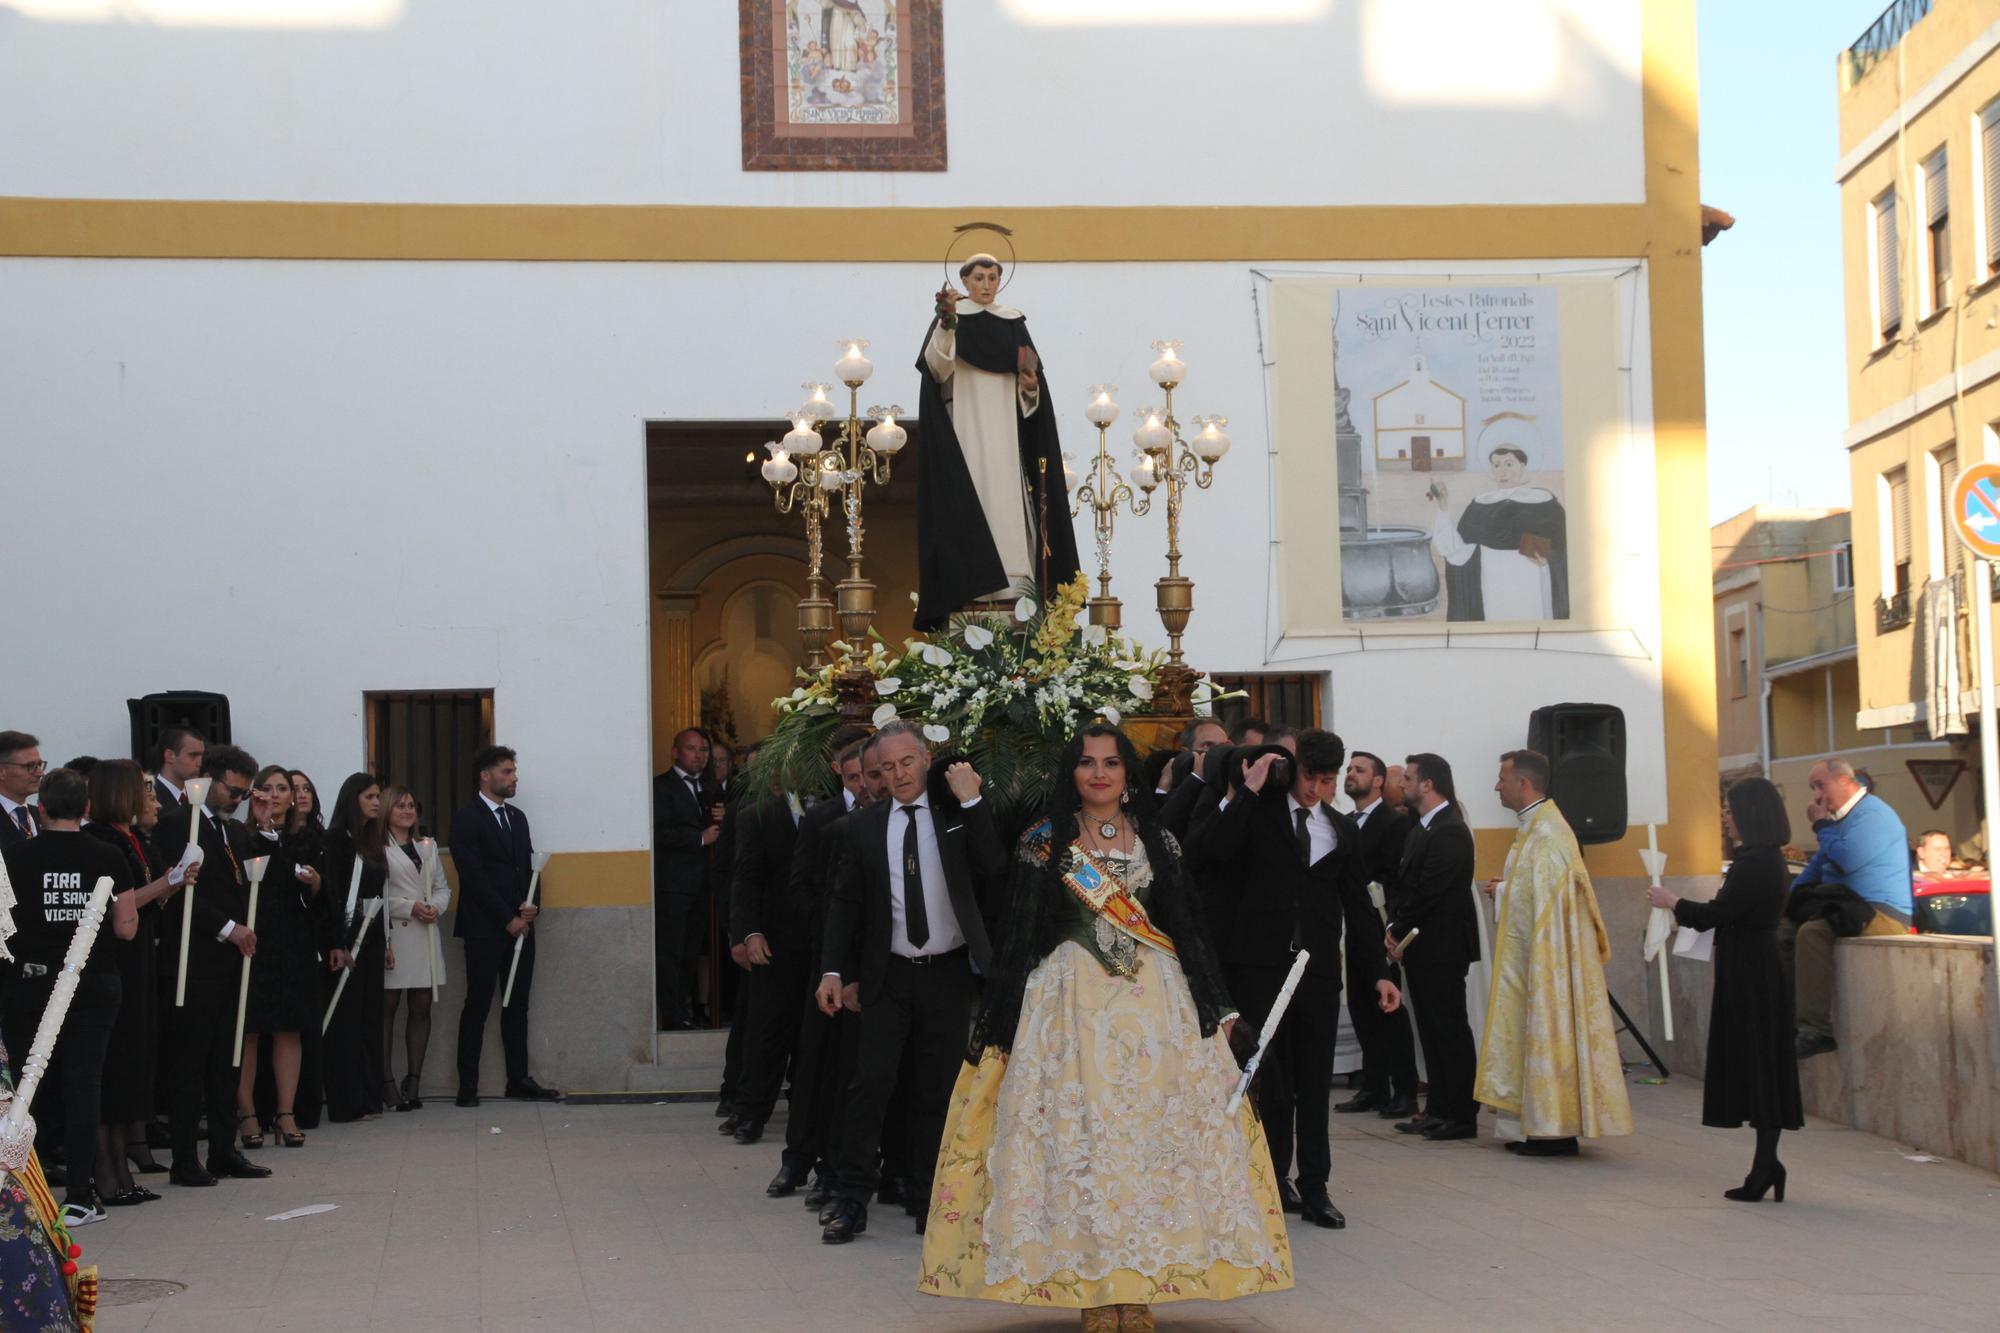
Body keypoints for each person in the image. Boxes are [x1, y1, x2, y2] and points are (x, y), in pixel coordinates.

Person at [918, 725, 1293, 1325]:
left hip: (1156, 1009)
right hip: (1069, 1009)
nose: (1099, 773)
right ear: (1072, 772)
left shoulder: (1159, 840)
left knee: (1148, 1146)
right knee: (1083, 1143)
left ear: (1127, 773)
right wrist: (1005, 1016)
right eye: (1088, 763)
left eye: (1112, 763)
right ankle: (1092, 1290)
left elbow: (1189, 927)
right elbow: (1015, 924)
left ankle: (1137, 1289)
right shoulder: (1044, 840)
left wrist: (1219, 1008)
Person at [1187, 729, 1399, 1230]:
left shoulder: (1342, 831)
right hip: (1259, 969)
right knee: (1268, 1077)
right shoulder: (1257, 813)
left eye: (1327, 781)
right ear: (1295, 767)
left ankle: (1317, 1185)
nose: (1315, 790)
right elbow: (1207, 852)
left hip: (1318, 972)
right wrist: (1250, 789)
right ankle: (1272, 1177)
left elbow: (1360, 908)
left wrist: (1380, 974)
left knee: (1312, 1080)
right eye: (1310, 777)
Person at [814, 722, 1007, 1244]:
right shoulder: (864, 828)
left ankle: (930, 1199)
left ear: (926, 760)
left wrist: (973, 803)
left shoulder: (954, 817)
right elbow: (844, 904)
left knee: (937, 1090)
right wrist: (835, 970)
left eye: (906, 763)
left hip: (947, 973)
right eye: (885, 768)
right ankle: (852, 1199)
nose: (896, 775)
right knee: (869, 1086)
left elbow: (993, 866)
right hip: (887, 976)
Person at [1648, 780, 1803, 1202]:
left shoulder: (1755, 863)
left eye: (1730, 810)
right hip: (1750, 967)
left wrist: (1672, 901)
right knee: (1757, 1065)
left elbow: (1719, 913)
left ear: (1751, 814)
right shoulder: (1760, 860)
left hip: (1752, 974)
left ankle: (1765, 1165)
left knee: (1759, 1065)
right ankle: (1765, 1163)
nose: (1725, 817)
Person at [1474, 750, 1633, 1157]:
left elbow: (1541, 899)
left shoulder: (1547, 834)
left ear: (1523, 784)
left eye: (1501, 778)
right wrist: (1507, 889)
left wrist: (1503, 891)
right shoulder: (1537, 827)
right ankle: (1537, 1127)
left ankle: (1554, 1131)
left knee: (1549, 1033)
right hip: (1539, 957)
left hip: (1550, 965)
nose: (1497, 786)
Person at [1, 768, 140, 1224]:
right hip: (93, 982)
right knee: (84, 1085)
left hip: (31, 982)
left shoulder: (15, 857)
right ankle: (80, 1195)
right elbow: (125, 927)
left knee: (29, 1086)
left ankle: (22, 1194)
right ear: (86, 809)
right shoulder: (108, 855)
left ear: (41, 809)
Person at [915, 253, 1081, 628]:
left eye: (992, 277)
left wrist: (1030, 388)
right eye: (978, 277)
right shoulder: (952, 319)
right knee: (971, 494)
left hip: (1005, 431)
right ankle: (974, 585)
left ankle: (1014, 587)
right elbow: (937, 368)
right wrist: (947, 324)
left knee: (1007, 497)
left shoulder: (1013, 323)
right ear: (965, 281)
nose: (986, 284)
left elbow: (1032, 396)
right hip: (966, 426)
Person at [142, 744, 272, 1187]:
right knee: (190, 1062)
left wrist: (244, 928)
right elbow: (179, 895)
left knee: (227, 1058)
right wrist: (227, 927)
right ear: (210, 780)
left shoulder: (233, 832)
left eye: (242, 794)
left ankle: (223, 1148)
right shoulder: (177, 825)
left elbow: (246, 882)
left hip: (232, 962)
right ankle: (183, 1158)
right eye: (232, 791)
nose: (237, 800)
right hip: (193, 962)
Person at [765, 729, 869, 1199]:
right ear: (839, 775)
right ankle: (797, 1159)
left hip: (873, 967)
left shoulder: (890, 818)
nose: (860, 786)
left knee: (854, 1072)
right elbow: (801, 885)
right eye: (852, 778)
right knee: (813, 1066)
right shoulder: (822, 819)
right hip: (826, 962)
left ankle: (840, 1167)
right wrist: (830, 935)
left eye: (866, 777)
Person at [83, 761, 187, 1206]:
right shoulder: (102, 841)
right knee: (116, 1064)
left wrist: (169, 886)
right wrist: (167, 882)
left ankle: (122, 1168)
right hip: (117, 959)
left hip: (140, 956)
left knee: (132, 1063)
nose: (153, 801)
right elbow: (118, 906)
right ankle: (106, 1171)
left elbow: (143, 898)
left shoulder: (133, 840)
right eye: (145, 792)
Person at [450, 746, 559, 1106]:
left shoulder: (518, 817)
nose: (514, 778)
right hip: (485, 929)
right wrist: (507, 918)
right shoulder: (467, 818)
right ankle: (468, 1084)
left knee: (518, 1004)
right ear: (486, 775)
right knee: (478, 1004)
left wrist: (531, 907)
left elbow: (530, 867)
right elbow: (474, 876)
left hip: (521, 927)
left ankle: (519, 1079)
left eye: (514, 772)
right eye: (507, 772)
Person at [1786, 758, 1913, 1058]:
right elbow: (1816, 868)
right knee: (1782, 931)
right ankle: (1787, 1019)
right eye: (1812, 788)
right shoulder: (1838, 823)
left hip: (1881, 912)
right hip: (1845, 908)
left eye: (1820, 785)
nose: (1816, 796)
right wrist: (1788, 902)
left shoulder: (1873, 815)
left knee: (1812, 933)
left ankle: (1816, 1030)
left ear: (1844, 781)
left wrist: (1820, 825)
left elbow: (1847, 859)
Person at [1385, 753, 1481, 1141]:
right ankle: (1437, 1108)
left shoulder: (1450, 831)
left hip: (1443, 947)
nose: (1402, 784)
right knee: (1430, 1030)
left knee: (1448, 1029)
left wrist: (1396, 928)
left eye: (1408, 778)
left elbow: (1431, 890)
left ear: (1427, 784)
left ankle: (1460, 1114)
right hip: (1423, 947)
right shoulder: (1420, 828)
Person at [1334, 749, 1419, 1119]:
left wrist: (1392, 925)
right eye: (1349, 769)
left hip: (1380, 926)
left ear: (1380, 780)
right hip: (1350, 929)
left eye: (1360, 770)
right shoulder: (1345, 821)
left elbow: (1396, 878)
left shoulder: (1393, 823)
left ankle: (1403, 1090)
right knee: (1361, 1009)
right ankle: (1373, 1086)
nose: (1351, 775)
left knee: (1389, 1012)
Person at [724, 769, 804, 1146]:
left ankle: (805, 1115)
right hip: (776, 941)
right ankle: (752, 1111)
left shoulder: (839, 805)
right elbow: (746, 877)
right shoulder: (757, 813)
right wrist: (746, 932)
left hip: (822, 942)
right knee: (766, 1030)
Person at [1430, 422, 1569, 622]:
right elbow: (1457, 552)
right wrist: (1443, 505)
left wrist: (1548, 559)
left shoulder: (1545, 503)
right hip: (1493, 590)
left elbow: (1566, 550)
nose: (1502, 471)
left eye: (1509, 464)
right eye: (1496, 465)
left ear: (1522, 467)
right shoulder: (1480, 505)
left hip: (1533, 589)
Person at [322, 773, 389, 1120]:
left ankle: (370, 1095)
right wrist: (339, 939)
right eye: (369, 796)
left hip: (372, 939)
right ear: (353, 799)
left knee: (369, 1018)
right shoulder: (335, 841)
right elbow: (333, 893)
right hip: (347, 939)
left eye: (378, 796)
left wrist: (386, 939)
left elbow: (382, 896)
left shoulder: (375, 843)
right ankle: (346, 1100)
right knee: (345, 1021)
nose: (377, 802)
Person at [381, 785, 450, 1113]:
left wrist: (435, 906)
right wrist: (410, 907)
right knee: (388, 1008)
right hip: (396, 933)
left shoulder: (428, 846)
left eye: (412, 806)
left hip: (425, 933)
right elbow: (377, 896)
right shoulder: (378, 847)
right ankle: (386, 1081)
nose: (408, 811)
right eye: (400, 806)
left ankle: (414, 1080)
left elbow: (441, 886)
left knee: (422, 1006)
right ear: (387, 810)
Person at [653, 728, 723, 1030]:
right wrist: (698, 838)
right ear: (675, 752)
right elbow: (659, 833)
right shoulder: (661, 787)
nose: (699, 755)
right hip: (675, 886)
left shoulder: (710, 788)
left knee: (694, 951)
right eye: (692, 749)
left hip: (703, 885)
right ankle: (671, 1013)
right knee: (673, 950)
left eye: (703, 750)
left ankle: (690, 1008)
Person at [0, 730, 44, 848]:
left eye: (39, 765)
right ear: (1, 772)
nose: (40, 773)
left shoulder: (44, 817)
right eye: (30, 766)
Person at [150, 726, 205, 815]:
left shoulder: (199, 795)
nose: (200, 763)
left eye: (202, 756)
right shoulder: (147, 791)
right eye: (193, 755)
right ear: (170, 756)